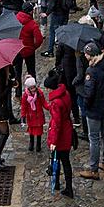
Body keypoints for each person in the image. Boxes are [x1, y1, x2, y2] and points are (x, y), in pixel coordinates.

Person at [79, 42, 104, 180]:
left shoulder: (91, 71)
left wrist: (86, 105)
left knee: (93, 138)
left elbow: (89, 93)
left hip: (94, 108)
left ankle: (93, 169)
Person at [44, 69, 75, 198]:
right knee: (65, 160)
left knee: (57, 159)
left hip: (60, 135)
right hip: (67, 130)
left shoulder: (56, 102)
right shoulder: (65, 94)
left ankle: (60, 184)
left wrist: (53, 142)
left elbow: (56, 125)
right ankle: (65, 186)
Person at [15, 10, 43, 97]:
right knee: (31, 71)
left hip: (17, 50)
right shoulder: (32, 24)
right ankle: (33, 90)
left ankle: (18, 92)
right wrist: (34, 47)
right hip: (29, 51)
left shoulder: (15, 19)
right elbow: (39, 39)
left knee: (17, 72)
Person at [20, 76, 47, 152]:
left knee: (39, 131)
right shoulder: (25, 96)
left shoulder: (39, 93)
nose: (33, 89)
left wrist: (49, 107)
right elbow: (24, 107)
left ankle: (38, 144)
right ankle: (31, 142)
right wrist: (23, 116)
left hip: (38, 115)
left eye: (34, 87)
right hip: (31, 116)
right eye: (31, 88)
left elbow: (43, 102)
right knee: (31, 130)